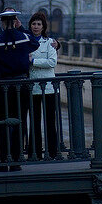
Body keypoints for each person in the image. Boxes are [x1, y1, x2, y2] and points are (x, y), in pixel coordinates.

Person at [0, 8, 39, 171]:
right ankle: (17, 160)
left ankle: (2, 161)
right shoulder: (24, 37)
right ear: (15, 21)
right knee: (19, 122)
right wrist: (21, 29)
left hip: (2, 86)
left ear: (2, 22)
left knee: (1, 123)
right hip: (21, 85)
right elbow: (35, 43)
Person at [27, 11, 60, 160]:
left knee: (50, 121)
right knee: (34, 122)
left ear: (43, 26)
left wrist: (33, 62)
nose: (36, 27)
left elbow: (52, 62)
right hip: (32, 87)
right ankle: (35, 152)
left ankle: (52, 152)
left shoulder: (50, 42)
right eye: (33, 24)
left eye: (38, 24)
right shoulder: (26, 41)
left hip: (48, 87)